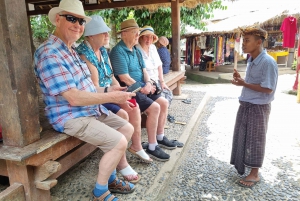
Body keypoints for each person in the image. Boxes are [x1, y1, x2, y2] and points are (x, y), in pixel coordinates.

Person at [34, 1, 136, 200]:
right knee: (118, 142)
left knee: (126, 128)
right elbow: (73, 97)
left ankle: (110, 178)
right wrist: (111, 97)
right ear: (57, 19)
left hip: (88, 110)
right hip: (70, 116)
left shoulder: (70, 50)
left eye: (81, 21)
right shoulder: (49, 53)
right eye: (71, 18)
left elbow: (88, 89)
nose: (77, 24)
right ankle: (100, 191)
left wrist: (111, 89)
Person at [76, 15, 153, 167]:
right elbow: (94, 88)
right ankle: (121, 161)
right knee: (124, 113)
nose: (107, 35)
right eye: (103, 32)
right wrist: (116, 95)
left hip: (109, 92)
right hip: (97, 96)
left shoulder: (103, 51)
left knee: (133, 105)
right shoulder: (84, 54)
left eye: (107, 32)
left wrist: (122, 91)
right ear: (91, 35)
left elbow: (112, 77)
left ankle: (136, 146)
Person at [110, 19, 177, 162]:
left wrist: (148, 83)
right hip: (129, 89)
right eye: (135, 33)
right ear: (124, 34)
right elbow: (124, 78)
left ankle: (160, 137)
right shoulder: (118, 51)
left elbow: (144, 71)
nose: (137, 35)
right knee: (155, 108)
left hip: (142, 85)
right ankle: (151, 146)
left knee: (163, 103)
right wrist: (143, 87)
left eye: (138, 32)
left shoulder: (135, 50)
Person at [230, 27, 278, 188]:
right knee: (243, 135)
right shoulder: (252, 60)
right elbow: (253, 84)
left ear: (259, 42)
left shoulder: (267, 62)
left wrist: (244, 83)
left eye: (247, 41)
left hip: (258, 107)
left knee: (256, 139)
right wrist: (242, 81)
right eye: (243, 41)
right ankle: (243, 165)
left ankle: (255, 174)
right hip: (247, 103)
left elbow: (268, 88)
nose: (243, 44)